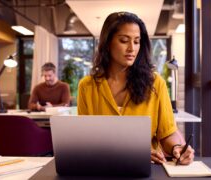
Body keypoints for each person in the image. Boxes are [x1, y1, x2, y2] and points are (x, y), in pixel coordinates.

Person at [77, 12, 194, 165]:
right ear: (107, 43)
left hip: (145, 168)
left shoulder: (155, 83)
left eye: (137, 41)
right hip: (102, 167)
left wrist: (177, 148)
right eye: (124, 41)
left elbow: (167, 133)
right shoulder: (87, 86)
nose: (132, 48)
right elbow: (85, 139)